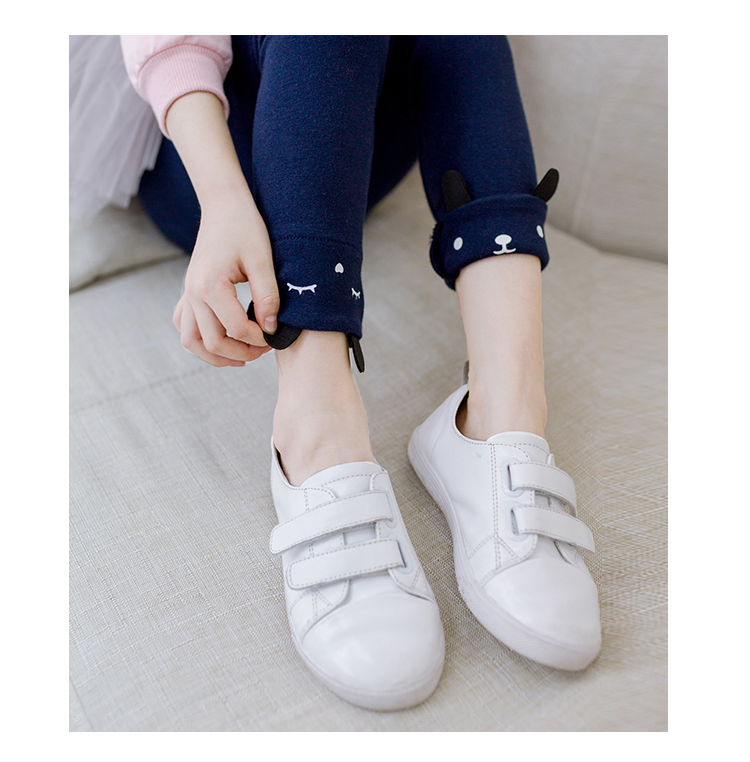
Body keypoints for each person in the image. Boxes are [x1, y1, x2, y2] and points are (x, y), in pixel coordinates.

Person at [112, 35, 601, 711]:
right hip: (206, 145)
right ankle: (318, 434)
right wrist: (223, 199)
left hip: (350, 126)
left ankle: (502, 414)